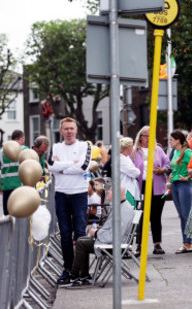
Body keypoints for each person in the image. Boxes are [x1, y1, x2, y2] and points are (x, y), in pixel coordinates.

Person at [60, 184, 135, 288]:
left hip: (115, 244)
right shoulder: (121, 207)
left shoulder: (123, 210)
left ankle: (74, 275)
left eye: (111, 190)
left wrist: (96, 233)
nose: (107, 192)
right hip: (113, 241)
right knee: (81, 240)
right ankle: (83, 275)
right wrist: (99, 231)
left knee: (81, 242)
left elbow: (116, 235)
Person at [50, 118, 92, 285]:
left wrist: (61, 168)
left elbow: (84, 167)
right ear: (61, 131)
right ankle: (68, 269)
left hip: (79, 194)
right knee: (65, 235)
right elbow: (50, 165)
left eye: (71, 128)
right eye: (65, 129)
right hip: (60, 194)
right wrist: (70, 165)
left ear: (76, 130)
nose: (69, 131)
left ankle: (82, 272)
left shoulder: (84, 146)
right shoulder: (55, 147)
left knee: (81, 234)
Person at [132, 126, 170, 256]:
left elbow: (168, 164)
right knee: (140, 216)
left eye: (151, 136)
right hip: (140, 186)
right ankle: (140, 245)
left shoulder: (158, 150)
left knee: (155, 216)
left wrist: (163, 170)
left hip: (157, 186)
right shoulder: (134, 151)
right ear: (140, 137)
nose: (149, 139)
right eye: (146, 136)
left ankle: (157, 244)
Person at [168, 130, 192, 254]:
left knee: (186, 214)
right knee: (181, 215)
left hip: (184, 184)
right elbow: (174, 168)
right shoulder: (175, 152)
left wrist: (188, 178)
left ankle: (187, 243)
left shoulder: (188, 152)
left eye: (171, 140)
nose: (169, 142)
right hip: (175, 185)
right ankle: (186, 241)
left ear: (178, 140)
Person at [1, 129, 29, 214]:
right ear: (22, 139)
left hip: (6, 187)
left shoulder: (1, 151)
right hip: (20, 186)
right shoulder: (25, 150)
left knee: (7, 216)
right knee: (21, 215)